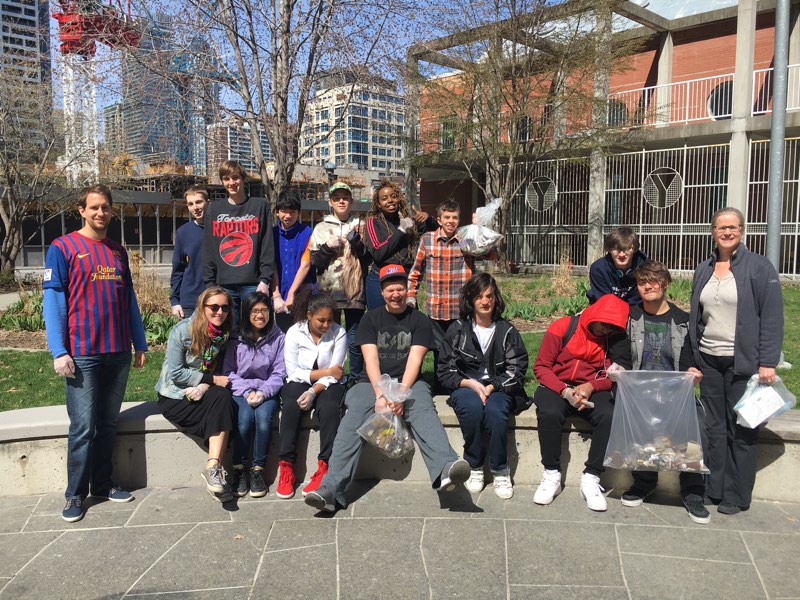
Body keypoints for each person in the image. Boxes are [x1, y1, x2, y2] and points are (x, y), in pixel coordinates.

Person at [304, 264, 470, 513]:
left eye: (400, 288)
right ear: (382, 292)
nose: (396, 294)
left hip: (408, 381)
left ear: (408, 289)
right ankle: (331, 488)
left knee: (423, 407)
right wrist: (382, 394)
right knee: (355, 413)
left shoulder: (419, 321)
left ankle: (446, 467)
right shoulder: (371, 319)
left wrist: (400, 394)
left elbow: (415, 360)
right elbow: (371, 360)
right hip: (370, 383)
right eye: (390, 289)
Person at [43, 184, 148, 523]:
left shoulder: (117, 252)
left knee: (107, 423)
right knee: (83, 426)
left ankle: (102, 485)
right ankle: (74, 494)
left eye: (106, 207)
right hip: (82, 353)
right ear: (81, 210)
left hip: (117, 352)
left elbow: (128, 300)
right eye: (94, 207)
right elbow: (54, 300)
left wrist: (140, 341)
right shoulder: (62, 248)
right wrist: (59, 351)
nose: (100, 213)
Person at [688, 207, 783, 515]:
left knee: (742, 429)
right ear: (712, 231)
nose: (727, 232)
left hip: (744, 363)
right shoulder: (704, 268)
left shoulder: (759, 267)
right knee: (714, 427)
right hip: (710, 361)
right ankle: (714, 488)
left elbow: (771, 317)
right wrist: (695, 357)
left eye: (733, 227)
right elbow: (697, 316)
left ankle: (736, 495)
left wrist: (767, 361)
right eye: (721, 227)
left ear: (742, 230)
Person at [612, 260, 709, 524]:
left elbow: (690, 359)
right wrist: (617, 367)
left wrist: (692, 372)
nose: (648, 286)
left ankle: (693, 491)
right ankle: (644, 482)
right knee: (639, 422)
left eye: (653, 281)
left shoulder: (681, 320)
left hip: (674, 394)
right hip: (641, 393)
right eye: (642, 282)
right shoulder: (630, 318)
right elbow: (621, 353)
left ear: (664, 284)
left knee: (696, 425)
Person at [531, 294, 629, 511]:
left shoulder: (612, 339)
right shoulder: (563, 326)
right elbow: (541, 367)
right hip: (557, 385)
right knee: (549, 412)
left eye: (611, 329)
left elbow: (611, 375)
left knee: (609, 415)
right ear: (594, 315)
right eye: (603, 326)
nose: (605, 331)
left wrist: (590, 387)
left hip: (591, 388)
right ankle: (551, 474)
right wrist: (564, 390)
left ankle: (592, 476)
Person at [437, 273, 528, 499]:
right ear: (470, 300)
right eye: (479, 297)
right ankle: (474, 465)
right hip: (466, 386)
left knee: (497, 412)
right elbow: (444, 370)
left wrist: (492, 387)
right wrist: (469, 383)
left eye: (489, 296)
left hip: (498, 388)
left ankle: (500, 469)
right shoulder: (458, 329)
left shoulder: (507, 331)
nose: (485, 301)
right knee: (472, 409)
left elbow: (517, 370)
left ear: (495, 299)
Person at [156, 287, 236, 503]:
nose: (220, 312)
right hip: (175, 396)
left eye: (225, 307)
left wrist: (205, 385)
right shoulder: (183, 331)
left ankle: (213, 468)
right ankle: (216, 472)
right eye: (214, 307)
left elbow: (218, 369)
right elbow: (176, 373)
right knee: (223, 403)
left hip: (204, 392)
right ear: (202, 307)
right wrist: (210, 380)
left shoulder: (223, 333)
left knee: (226, 401)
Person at [277, 288, 347, 499]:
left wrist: (313, 391)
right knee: (290, 404)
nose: (326, 325)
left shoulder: (339, 332)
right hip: (300, 379)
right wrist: (325, 372)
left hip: (327, 385)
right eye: (321, 320)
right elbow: (293, 371)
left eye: (330, 320)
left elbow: (336, 374)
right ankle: (286, 466)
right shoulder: (294, 332)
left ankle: (324, 466)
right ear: (309, 315)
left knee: (329, 408)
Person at [222, 291, 285, 498]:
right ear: (247, 313)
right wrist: (247, 391)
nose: (260, 315)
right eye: (255, 311)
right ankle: (239, 470)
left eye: (264, 310)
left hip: (267, 389)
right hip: (240, 390)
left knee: (264, 421)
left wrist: (264, 392)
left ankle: (257, 470)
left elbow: (279, 371)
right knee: (244, 420)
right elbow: (228, 371)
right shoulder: (235, 337)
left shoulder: (278, 337)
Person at [408, 199, 474, 388]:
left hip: (460, 308)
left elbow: (491, 254)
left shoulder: (466, 239)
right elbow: (416, 271)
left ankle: (459, 386)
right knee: (439, 349)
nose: (451, 221)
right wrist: (411, 296)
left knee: (460, 348)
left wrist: (479, 229)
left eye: (455, 217)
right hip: (436, 308)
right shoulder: (427, 240)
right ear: (439, 219)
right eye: (447, 217)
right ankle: (441, 385)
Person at [308, 182, 367, 381]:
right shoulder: (321, 227)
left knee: (354, 337)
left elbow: (368, 258)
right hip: (328, 291)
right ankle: (329, 376)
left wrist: (356, 243)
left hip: (354, 291)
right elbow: (314, 261)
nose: (341, 201)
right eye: (336, 198)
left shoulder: (361, 225)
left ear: (351, 201)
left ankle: (357, 377)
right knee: (328, 335)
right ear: (330, 202)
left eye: (345, 197)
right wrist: (327, 247)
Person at [203, 160, 274, 325]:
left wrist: (265, 280)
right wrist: (210, 284)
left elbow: (266, 245)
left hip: (253, 283)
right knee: (229, 335)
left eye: (235, 178)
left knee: (255, 333)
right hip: (223, 285)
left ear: (243, 179)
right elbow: (209, 249)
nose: (231, 183)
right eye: (226, 179)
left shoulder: (260, 206)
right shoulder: (214, 210)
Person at [362, 180, 437, 309]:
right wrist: (400, 231)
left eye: (393, 196)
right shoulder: (373, 222)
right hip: (380, 279)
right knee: (379, 323)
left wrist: (428, 219)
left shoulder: (409, 221)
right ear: (378, 204)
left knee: (408, 323)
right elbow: (378, 253)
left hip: (404, 279)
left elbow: (437, 234)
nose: (390, 200)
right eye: (384, 198)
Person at [271, 189, 315, 332]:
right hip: (277, 294)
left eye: (293, 211)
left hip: (302, 294)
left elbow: (305, 264)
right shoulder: (271, 234)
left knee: (302, 335)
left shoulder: (307, 233)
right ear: (277, 212)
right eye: (284, 211)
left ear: (299, 213)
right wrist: (276, 294)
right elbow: (271, 265)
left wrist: (292, 293)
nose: (288, 215)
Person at [170, 186, 208, 319]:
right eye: (190, 204)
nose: (195, 207)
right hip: (190, 301)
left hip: (216, 299)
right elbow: (178, 269)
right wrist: (174, 301)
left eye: (199, 202)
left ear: (208, 202)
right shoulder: (183, 232)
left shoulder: (220, 229)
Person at [586, 226, 647, 305]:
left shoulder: (644, 267)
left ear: (634, 249)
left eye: (627, 249)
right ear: (609, 249)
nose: (621, 254)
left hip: (636, 307)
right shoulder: (598, 269)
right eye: (616, 249)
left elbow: (639, 300)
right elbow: (604, 301)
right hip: (607, 308)